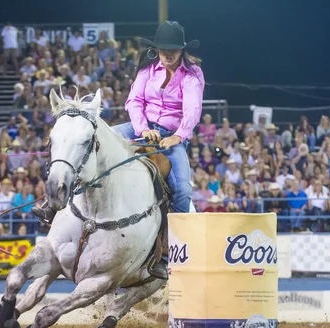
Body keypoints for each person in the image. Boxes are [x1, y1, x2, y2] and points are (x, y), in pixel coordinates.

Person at [32, 21, 204, 280]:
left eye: (174, 50)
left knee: (182, 190)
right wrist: (143, 128)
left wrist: (178, 135)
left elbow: (192, 110)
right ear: (156, 49)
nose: (168, 54)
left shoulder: (192, 76)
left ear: (181, 51)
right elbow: (134, 101)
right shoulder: (147, 71)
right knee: (91, 142)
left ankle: (167, 252)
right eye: (164, 49)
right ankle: (51, 204)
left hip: (172, 137)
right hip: (139, 128)